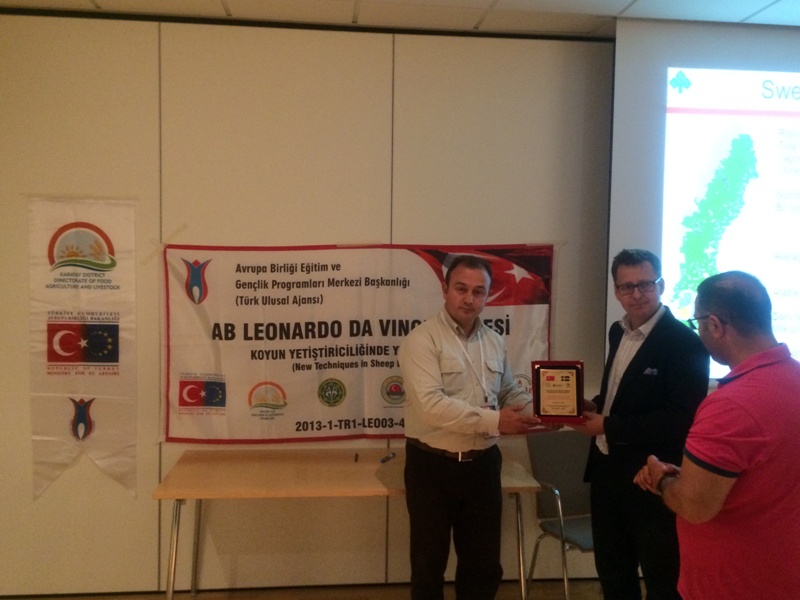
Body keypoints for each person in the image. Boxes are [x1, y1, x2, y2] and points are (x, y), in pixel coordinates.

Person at [634, 271, 800, 600]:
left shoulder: (730, 407)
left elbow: (694, 506)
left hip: (736, 583)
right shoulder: (793, 378)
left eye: (697, 323)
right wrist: (695, 477)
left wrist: (662, 478)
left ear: (714, 325)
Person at [398, 254, 541, 600]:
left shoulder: (493, 340)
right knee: (428, 567)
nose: (469, 299)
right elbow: (431, 406)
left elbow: (508, 390)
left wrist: (544, 411)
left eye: (479, 292)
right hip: (432, 466)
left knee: (483, 567)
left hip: (482, 466)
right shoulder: (421, 340)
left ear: (487, 296)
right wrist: (497, 420)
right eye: (461, 289)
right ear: (445, 289)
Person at [571, 249, 709, 600]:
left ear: (660, 285)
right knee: (613, 574)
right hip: (606, 473)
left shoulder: (685, 343)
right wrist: (594, 406)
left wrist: (608, 426)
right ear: (616, 291)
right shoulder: (618, 332)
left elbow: (681, 419)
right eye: (627, 286)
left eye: (645, 285)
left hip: (653, 479)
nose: (636, 294)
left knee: (662, 578)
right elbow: (622, 395)